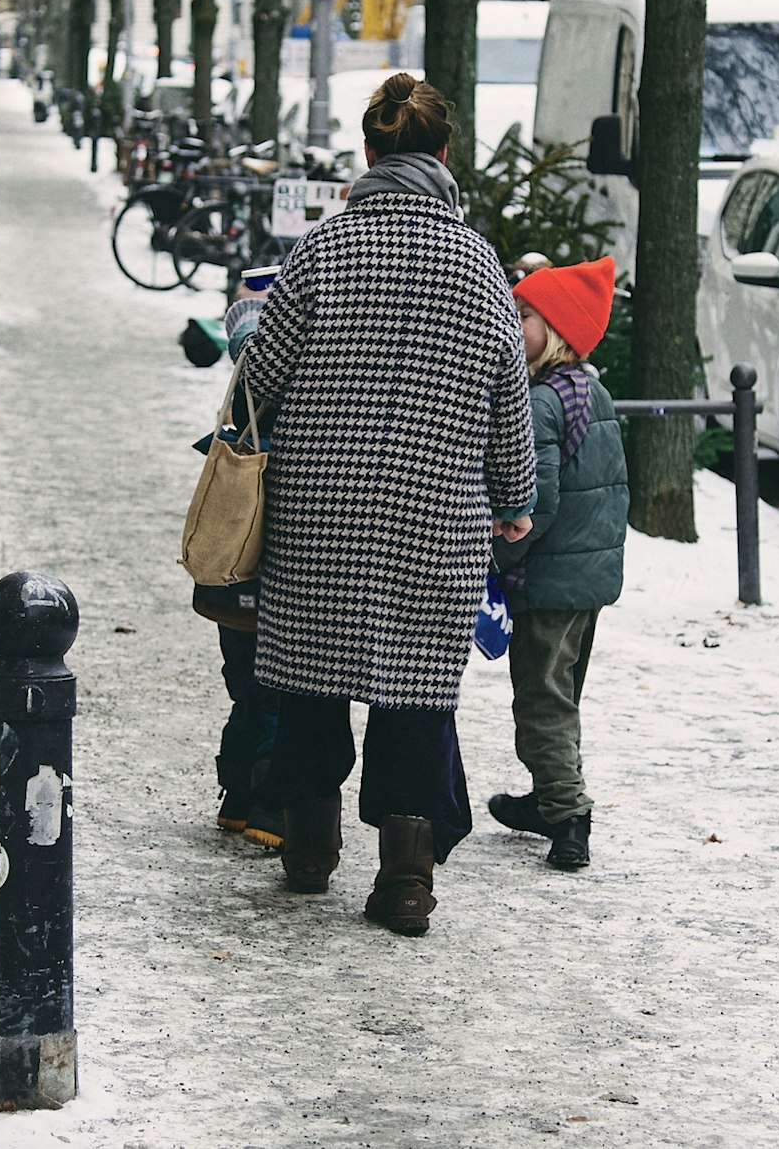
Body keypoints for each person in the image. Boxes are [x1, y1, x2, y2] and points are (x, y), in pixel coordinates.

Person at [233, 73, 538, 937]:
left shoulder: (323, 251)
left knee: (309, 682)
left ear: (368, 153)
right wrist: (514, 497)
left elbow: (259, 381)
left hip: (320, 513)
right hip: (432, 521)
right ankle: (407, 880)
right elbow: (506, 396)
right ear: (445, 154)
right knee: (413, 701)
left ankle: (308, 848)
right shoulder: (477, 263)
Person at [488, 257, 629, 870]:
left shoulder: (541, 401)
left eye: (524, 316)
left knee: (542, 702)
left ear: (560, 330)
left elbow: (533, 505)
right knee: (561, 694)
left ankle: (570, 818)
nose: (511, 324)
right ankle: (549, 800)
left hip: (548, 581)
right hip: (585, 580)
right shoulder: (590, 389)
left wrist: (497, 558)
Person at [193, 280, 283, 849]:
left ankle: (240, 792)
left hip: (238, 562)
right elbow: (257, 374)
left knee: (249, 679)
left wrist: (249, 319)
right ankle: (263, 799)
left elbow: (254, 370)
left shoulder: (275, 351)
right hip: (282, 550)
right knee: (274, 681)